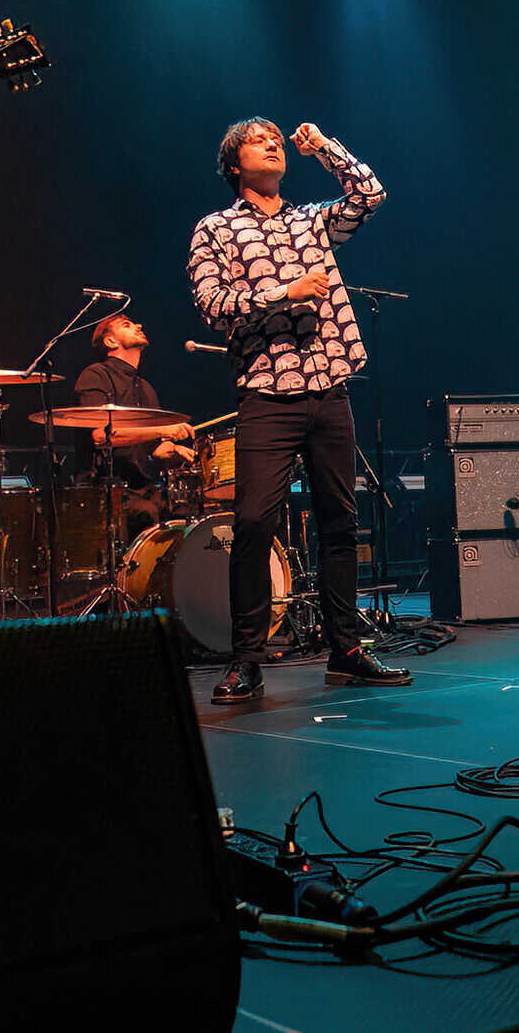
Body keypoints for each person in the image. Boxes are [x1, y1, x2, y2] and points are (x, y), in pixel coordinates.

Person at [188, 117, 410, 701]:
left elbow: (370, 195)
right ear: (233, 165)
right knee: (253, 524)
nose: (273, 144)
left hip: (329, 388)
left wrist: (326, 149)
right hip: (266, 392)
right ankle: (246, 659)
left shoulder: (310, 220)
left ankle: (346, 651)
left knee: (340, 523)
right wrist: (283, 292)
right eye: (257, 141)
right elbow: (211, 304)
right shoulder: (216, 228)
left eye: (277, 139)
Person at [71, 312, 195, 537]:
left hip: (142, 486)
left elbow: (155, 449)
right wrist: (163, 429)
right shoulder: (96, 375)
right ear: (111, 341)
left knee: (186, 511)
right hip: (105, 488)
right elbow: (101, 435)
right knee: (146, 513)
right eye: (126, 325)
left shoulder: (145, 387)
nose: (138, 325)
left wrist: (174, 449)